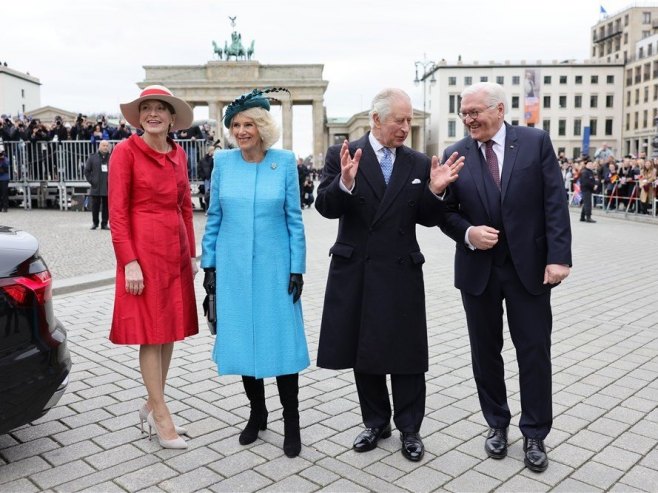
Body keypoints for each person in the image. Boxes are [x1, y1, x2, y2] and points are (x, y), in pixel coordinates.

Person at [315, 88, 464, 462]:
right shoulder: (342, 155)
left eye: (408, 120)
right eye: (398, 120)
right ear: (376, 119)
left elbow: (427, 218)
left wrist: (434, 190)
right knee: (364, 351)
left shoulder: (416, 162)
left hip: (400, 271)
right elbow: (326, 207)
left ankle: (410, 429)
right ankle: (376, 421)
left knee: (406, 353)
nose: (404, 127)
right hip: (357, 270)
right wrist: (345, 182)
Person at [439, 82, 572, 473]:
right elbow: (445, 213)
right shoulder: (455, 154)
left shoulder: (534, 142)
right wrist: (468, 232)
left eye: (475, 112)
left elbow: (555, 201)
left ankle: (535, 433)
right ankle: (497, 424)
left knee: (533, 351)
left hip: (528, 269)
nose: (469, 119)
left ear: (499, 109)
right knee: (485, 352)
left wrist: (558, 257)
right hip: (478, 270)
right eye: (464, 114)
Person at [200, 88, 309, 458]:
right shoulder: (223, 163)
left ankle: (291, 420)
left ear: (262, 127)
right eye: (236, 125)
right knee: (245, 340)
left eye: (249, 124)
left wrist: (298, 269)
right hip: (233, 270)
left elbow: (294, 220)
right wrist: (208, 266)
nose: (242, 130)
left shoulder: (285, 162)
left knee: (279, 342)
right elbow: (214, 218)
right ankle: (257, 412)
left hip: (276, 269)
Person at [108, 85, 199, 450]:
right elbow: (117, 214)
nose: (154, 114)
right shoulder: (125, 152)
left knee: (169, 330)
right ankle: (161, 412)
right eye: (147, 108)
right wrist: (128, 261)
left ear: (172, 118)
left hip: (174, 250)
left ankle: (152, 400)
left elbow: (185, 207)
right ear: (139, 116)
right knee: (151, 331)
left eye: (161, 108)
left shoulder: (179, 155)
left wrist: (191, 254)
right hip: (143, 251)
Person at [84, 139, 111, 230]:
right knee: (95, 206)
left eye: (107, 146)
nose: (105, 147)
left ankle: (104, 223)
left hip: (107, 186)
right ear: (99, 146)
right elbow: (87, 171)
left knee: (106, 207)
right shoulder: (93, 157)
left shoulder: (111, 157)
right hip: (96, 187)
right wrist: (92, 181)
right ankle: (95, 223)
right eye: (103, 145)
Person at [197, 145, 215, 211]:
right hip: (207, 178)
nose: (213, 151)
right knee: (207, 194)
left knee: (213, 194)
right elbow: (199, 169)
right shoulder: (203, 160)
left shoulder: (214, 159)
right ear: (209, 151)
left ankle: (212, 209)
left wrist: (212, 158)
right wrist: (203, 176)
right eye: (212, 150)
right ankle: (207, 209)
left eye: (214, 150)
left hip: (213, 178)